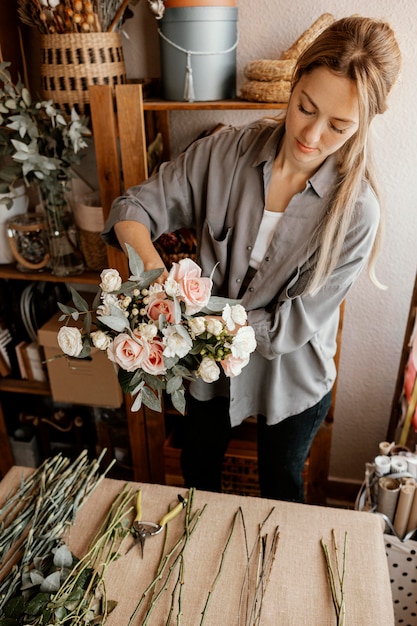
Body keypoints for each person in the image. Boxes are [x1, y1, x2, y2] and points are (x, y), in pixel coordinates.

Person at [102, 16, 402, 503]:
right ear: (294, 81)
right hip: (205, 369)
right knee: (198, 473)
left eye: (339, 126)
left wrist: (197, 321)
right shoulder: (224, 152)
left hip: (292, 377)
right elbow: (131, 209)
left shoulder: (359, 214)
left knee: (280, 488)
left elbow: (287, 329)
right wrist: (158, 282)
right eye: (305, 108)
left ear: (363, 125)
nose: (311, 135)